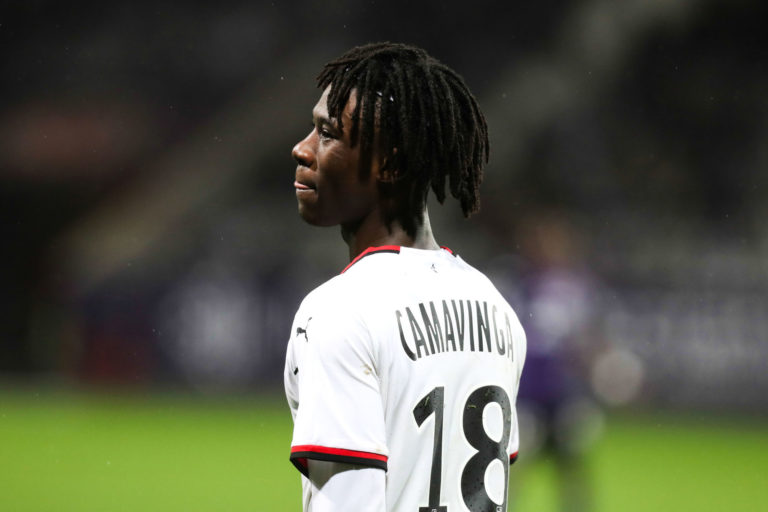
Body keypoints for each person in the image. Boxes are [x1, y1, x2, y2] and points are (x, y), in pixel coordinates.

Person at [284, 42, 526, 512]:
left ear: (390, 164)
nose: (302, 149)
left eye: (327, 134)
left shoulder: (339, 312)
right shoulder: (497, 309)